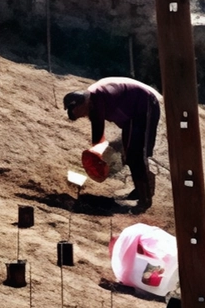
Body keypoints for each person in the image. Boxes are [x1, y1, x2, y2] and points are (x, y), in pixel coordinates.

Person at [64, 77, 162, 211]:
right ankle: (140, 191)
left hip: (144, 106)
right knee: (130, 154)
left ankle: (145, 199)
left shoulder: (97, 99)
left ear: (81, 104)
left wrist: (96, 155)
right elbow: (97, 133)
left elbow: (98, 132)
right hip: (133, 116)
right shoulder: (92, 101)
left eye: (82, 113)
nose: (85, 116)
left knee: (136, 155)